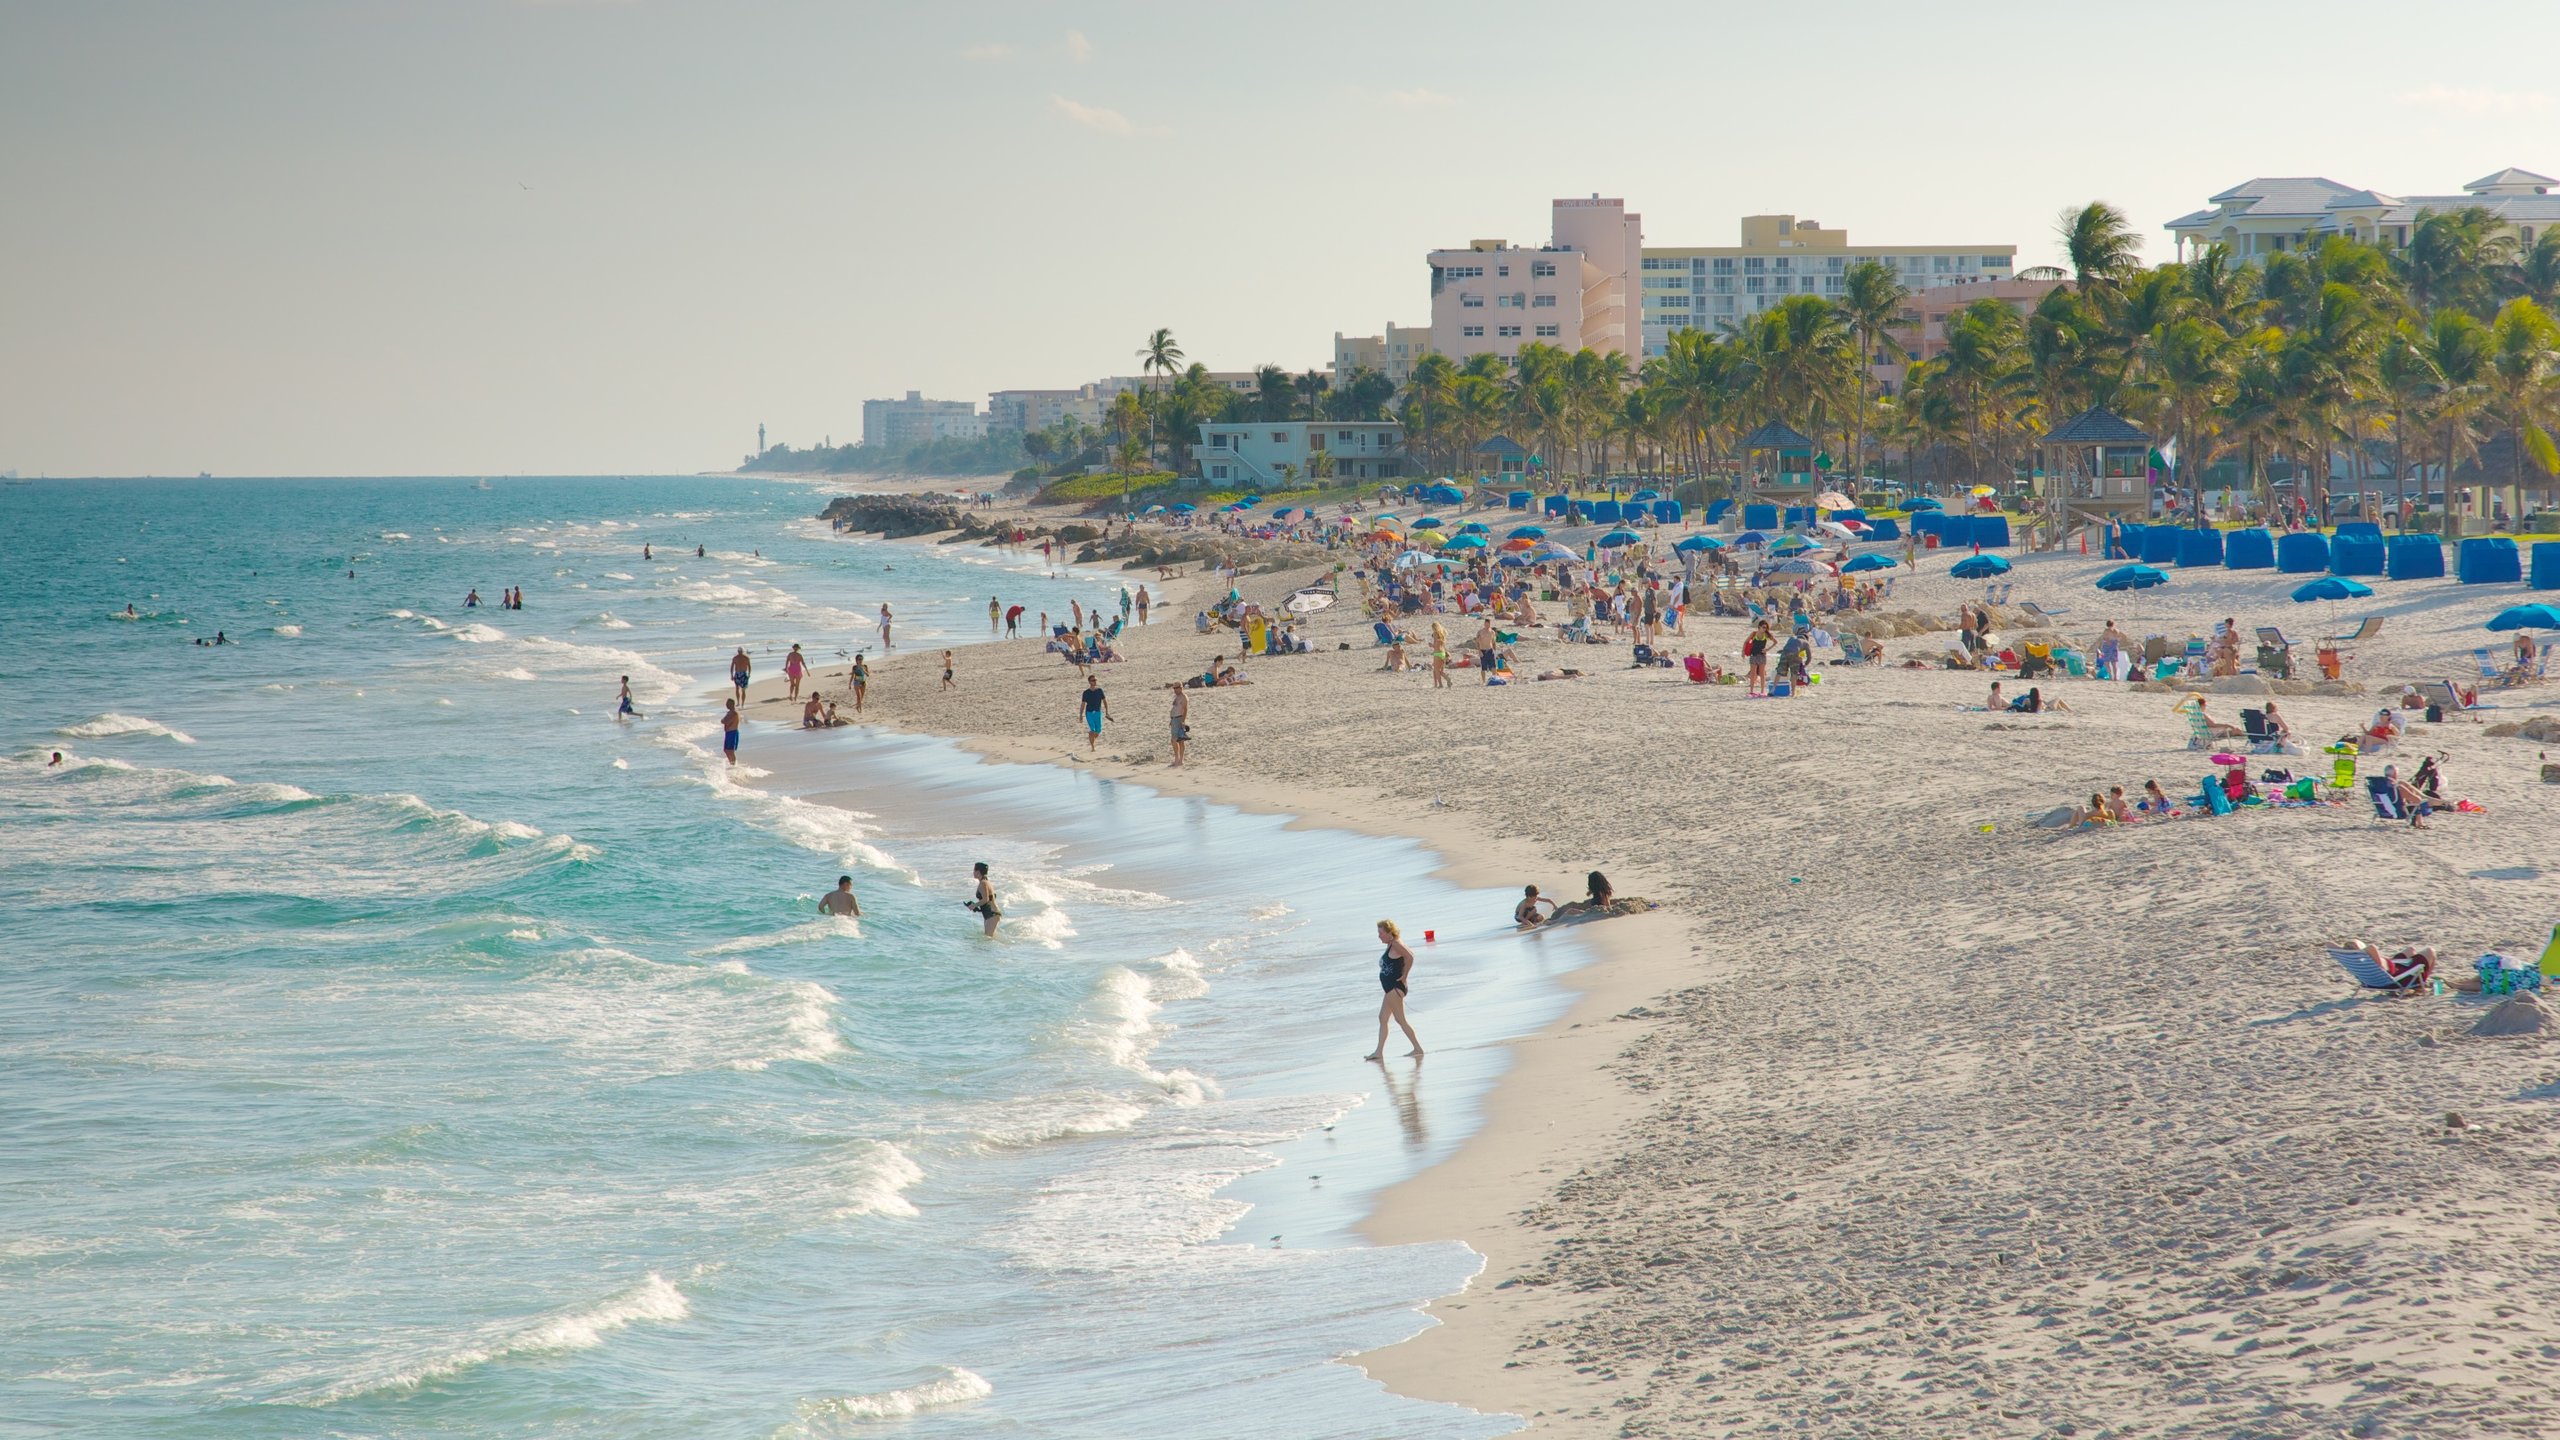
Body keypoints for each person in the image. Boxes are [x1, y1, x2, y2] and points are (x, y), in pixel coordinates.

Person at [1365, 919, 1422, 1062]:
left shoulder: (1396, 944)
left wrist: (1404, 976)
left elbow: (1410, 956)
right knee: (1382, 1018)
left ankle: (1417, 1048)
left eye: (1380, 933)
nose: (1379, 936)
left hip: (1395, 989)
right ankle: (1379, 1051)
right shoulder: (1392, 944)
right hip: (1390, 989)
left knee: (1400, 1020)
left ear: (1389, 932)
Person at [967, 861, 1001, 937]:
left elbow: (986, 899)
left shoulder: (983, 883)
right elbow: (989, 899)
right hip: (990, 914)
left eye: (974, 870)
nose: (973, 872)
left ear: (978, 872)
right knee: (988, 939)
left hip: (992, 914)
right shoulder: (985, 882)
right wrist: (977, 906)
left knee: (988, 939)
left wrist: (974, 905)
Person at [1079, 673, 1110, 752]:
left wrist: (1107, 711)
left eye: (1095, 680)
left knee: (1098, 730)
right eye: (1093, 680)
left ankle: (1091, 738)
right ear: (1089, 682)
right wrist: (1081, 715)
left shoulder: (1100, 691)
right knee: (1092, 730)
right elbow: (1083, 704)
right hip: (1089, 713)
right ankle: (1093, 747)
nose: (1095, 681)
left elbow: (1105, 701)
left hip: (1098, 712)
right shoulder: (1086, 692)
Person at [1168, 682, 1190, 768]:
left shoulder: (1184, 697)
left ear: (1181, 688)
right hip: (1174, 719)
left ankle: (1179, 759)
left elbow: (1185, 709)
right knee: (1177, 740)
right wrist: (1171, 720)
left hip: (1179, 719)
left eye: (1176, 688)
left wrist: (1183, 721)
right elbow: (1175, 708)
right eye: (1174, 688)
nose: (1175, 690)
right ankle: (1178, 759)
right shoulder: (1177, 697)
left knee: (1177, 740)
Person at [721, 699, 741, 767]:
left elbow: (725, 721)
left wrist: (725, 720)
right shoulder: (729, 712)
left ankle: (734, 765)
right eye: (726, 703)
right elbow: (723, 720)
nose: (727, 705)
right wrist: (724, 720)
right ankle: (731, 763)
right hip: (728, 733)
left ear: (732, 704)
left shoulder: (734, 713)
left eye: (728, 704)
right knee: (726, 750)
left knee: (730, 751)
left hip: (732, 733)